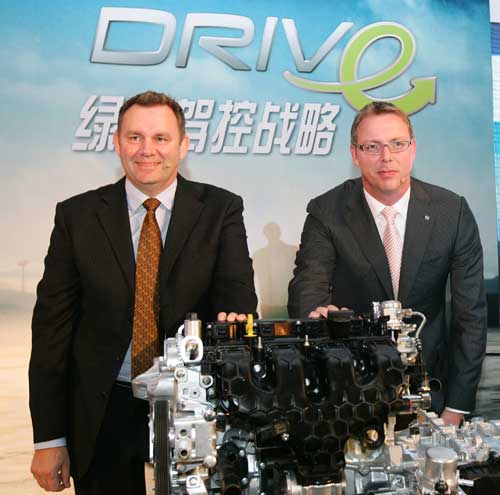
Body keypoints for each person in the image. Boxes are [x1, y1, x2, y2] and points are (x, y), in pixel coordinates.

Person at [29, 90, 258, 494]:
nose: (146, 150)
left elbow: (237, 303)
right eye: (134, 137)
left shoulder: (221, 210)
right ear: (117, 143)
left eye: (160, 138)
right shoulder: (77, 216)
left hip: (193, 406)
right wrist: (49, 439)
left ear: (183, 146)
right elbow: (51, 330)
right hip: (103, 410)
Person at [288, 101, 487, 427]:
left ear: (413, 149)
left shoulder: (452, 212)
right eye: (372, 146)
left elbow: (471, 317)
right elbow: (308, 284)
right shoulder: (327, 212)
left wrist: (456, 408)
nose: (386, 157)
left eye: (397, 144)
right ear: (355, 154)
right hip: (351, 391)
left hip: (433, 389)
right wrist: (315, 316)